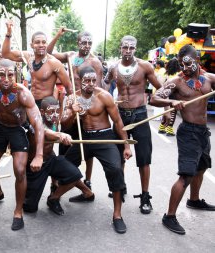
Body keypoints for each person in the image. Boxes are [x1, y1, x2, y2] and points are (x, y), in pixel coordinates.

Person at [150, 45, 215, 235]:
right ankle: (169, 216)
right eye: (181, 64)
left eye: (188, 64)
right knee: (186, 175)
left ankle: (193, 200)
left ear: (197, 60)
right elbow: (154, 99)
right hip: (188, 132)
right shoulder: (176, 82)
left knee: (202, 167)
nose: (184, 68)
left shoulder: (209, 78)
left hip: (203, 132)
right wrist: (171, 102)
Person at [62, 66, 132, 233]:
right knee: (64, 166)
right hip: (84, 137)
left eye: (94, 80)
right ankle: (80, 193)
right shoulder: (72, 98)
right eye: (87, 80)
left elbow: (118, 122)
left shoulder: (104, 96)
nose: (91, 84)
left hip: (105, 137)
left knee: (116, 170)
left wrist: (126, 145)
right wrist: (72, 112)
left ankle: (117, 215)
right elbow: (64, 125)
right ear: (79, 81)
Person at [0, 59, 44, 231]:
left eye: (10, 75)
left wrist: (39, 155)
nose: (6, 79)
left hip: (18, 129)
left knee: (20, 170)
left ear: (16, 75)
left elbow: (38, 125)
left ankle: (18, 211)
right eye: (2, 74)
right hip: (0, 128)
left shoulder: (23, 93)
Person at [104, 35, 161, 214]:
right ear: (120, 48)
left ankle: (145, 196)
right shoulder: (113, 68)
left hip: (140, 116)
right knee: (119, 156)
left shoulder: (145, 66)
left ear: (135, 49)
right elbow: (104, 87)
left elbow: (160, 86)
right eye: (125, 47)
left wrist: (164, 101)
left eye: (131, 48)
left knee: (144, 159)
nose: (128, 51)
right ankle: (120, 188)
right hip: (120, 116)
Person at [47, 28, 104, 191]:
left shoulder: (95, 62)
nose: (86, 46)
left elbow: (98, 87)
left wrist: (90, 107)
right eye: (83, 42)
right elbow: (49, 53)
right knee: (64, 138)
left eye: (89, 43)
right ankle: (57, 180)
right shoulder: (70, 56)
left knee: (87, 142)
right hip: (70, 102)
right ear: (78, 43)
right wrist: (58, 34)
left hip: (87, 103)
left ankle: (88, 179)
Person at [23, 96, 94, 216]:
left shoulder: (56, 121)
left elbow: (65, 122)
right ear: (42, 112)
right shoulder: (35, 122)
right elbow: (44, 132)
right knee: (29, 207)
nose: (54, 115)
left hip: (50, 159)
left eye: (57, 111)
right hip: (35, 165)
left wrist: (73, 111)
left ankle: (53, 198)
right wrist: (59, 134)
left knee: (74, 174)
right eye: (50, 112)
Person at [2, 20, 73, 108]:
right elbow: (5, 54)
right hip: (31, 102)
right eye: (37, 42)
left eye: (44, 42)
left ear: (47, 44)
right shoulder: (28, 57)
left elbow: (69, 88)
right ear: (31, 45)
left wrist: (70, 108)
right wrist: (8, 33)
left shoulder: (54, 63)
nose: (41, 45)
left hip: (47, 104)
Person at [157, 58, 181, 136]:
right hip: (174, 94)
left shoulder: (166, 73)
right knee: (173, 111)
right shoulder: (179, 74)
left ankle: (162, 127)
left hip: (166, 94)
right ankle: (169, 129)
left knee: (167, 111)